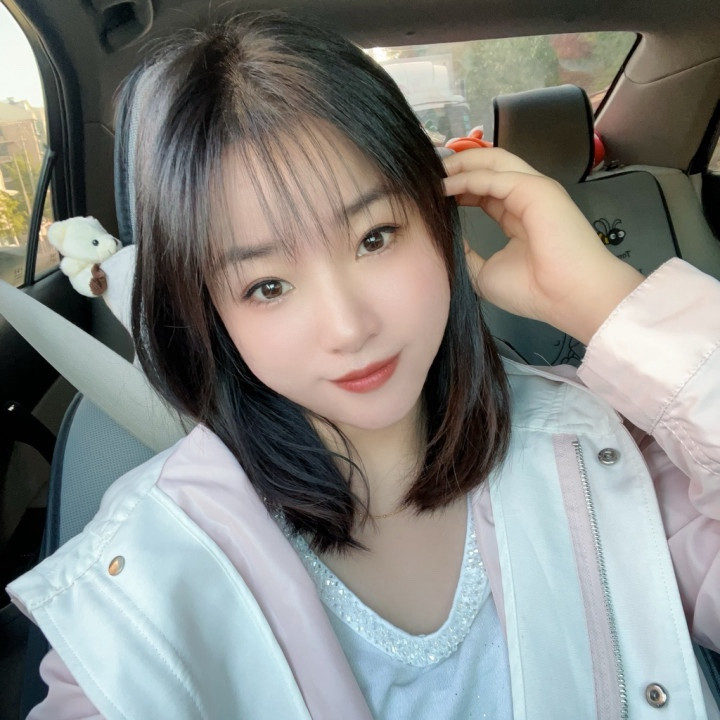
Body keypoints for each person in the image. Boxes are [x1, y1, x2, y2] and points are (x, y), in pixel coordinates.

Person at [7, 13, 720, 720]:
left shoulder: (607, 453)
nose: (349, 329)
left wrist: (604, 301)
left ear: (440, 221)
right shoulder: (135, 591)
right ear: (211, 313)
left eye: (374, 238)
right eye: (268, 286)